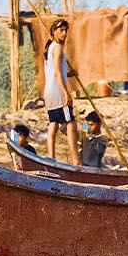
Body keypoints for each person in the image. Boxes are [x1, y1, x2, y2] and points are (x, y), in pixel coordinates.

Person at [41, 19, 80, 164]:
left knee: (54, 124)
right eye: (61, 30)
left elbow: (55, 72)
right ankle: (76, 161)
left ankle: (51, 158)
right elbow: (57, 73)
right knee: (70, 124)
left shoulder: (50, 47)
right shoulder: (57, 48)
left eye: (65, 30)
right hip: (58, 92)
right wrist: (66, 93)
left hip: (49, 92)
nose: (64, 33)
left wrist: (70, 74)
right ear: (53, 32)